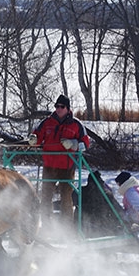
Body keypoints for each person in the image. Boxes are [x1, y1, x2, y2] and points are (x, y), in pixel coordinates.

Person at [28, 94, 90, 224]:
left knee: (66, 197)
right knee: (45, 196)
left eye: (61, 106)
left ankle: (67, 227)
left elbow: (86, 144)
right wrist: (33, 139)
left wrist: (74, 144)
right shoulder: (46, 122)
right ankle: (46, 225)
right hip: (49, 165)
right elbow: (37, 137)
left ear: (67, 108)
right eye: (56, 106)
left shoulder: (76, 124)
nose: (58, 109)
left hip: (67, 167)